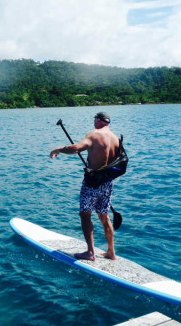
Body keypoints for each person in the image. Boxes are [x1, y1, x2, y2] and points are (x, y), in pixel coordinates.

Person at [50, 112, 120, 261]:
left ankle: (90, 253)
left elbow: (76, 148)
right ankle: (111, 252)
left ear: (99, 121)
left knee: (85, 214)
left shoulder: (95, 134)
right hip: (107, 183)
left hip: (92, 182)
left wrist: (59, 149)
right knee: (104, 216)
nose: (94, 122)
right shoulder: (115, 138)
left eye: (95, 119)